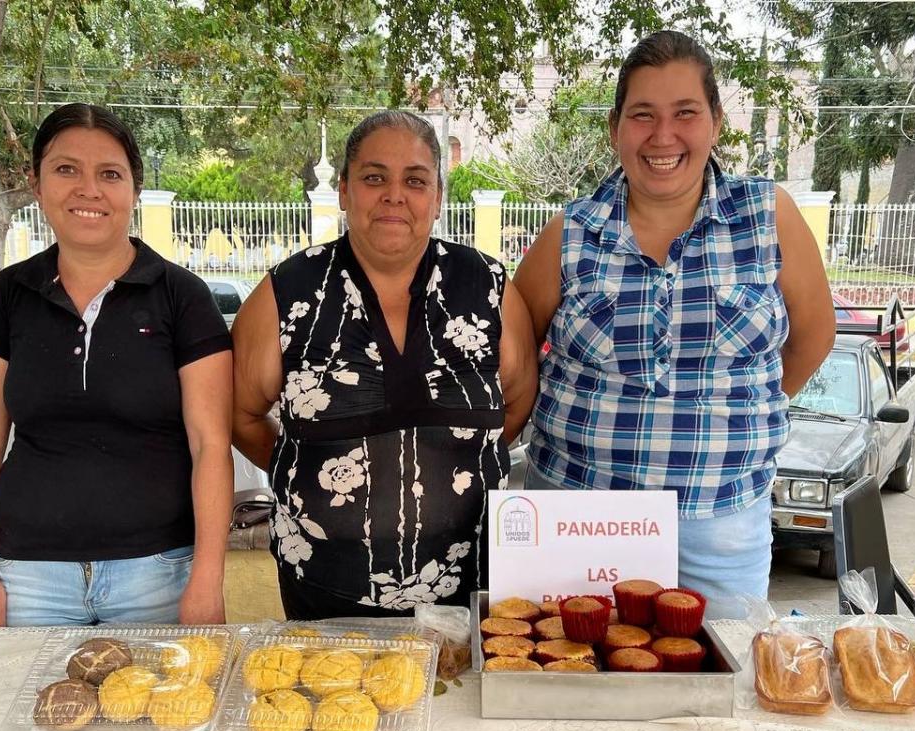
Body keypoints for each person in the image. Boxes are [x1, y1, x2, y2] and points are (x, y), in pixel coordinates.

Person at [513, 31, 836, 604]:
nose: (663, 136)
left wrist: (735, 420)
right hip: (577, 518)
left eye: (684, 112)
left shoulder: (768, 217)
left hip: (721, 526)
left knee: (718, 683)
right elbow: (515, 358)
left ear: (714, 120)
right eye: (642, 115)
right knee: (566, 682)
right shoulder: (570, 234)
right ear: (616, 128)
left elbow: (813, 337)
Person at [232, 111, 537, 620]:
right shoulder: (288, 293)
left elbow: (519, 398)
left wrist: (457, 461)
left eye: (415, 180)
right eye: (375, 177)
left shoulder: (486, 288)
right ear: (344, 191)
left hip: (470, 593)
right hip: (325, 592)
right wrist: (311, 473)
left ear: (437, 197)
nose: (395, 194)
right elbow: (240, 415)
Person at [0, 103, 234, 627]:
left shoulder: (183, 296)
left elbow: (210, 444)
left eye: (110, 174)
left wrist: (207, 580)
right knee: (28, 712)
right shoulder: (10, 293)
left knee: (158, 712)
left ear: (133, 189)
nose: (89, 189)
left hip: (157, 573)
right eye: (66, 170)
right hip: (26, 578)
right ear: (38, 185)